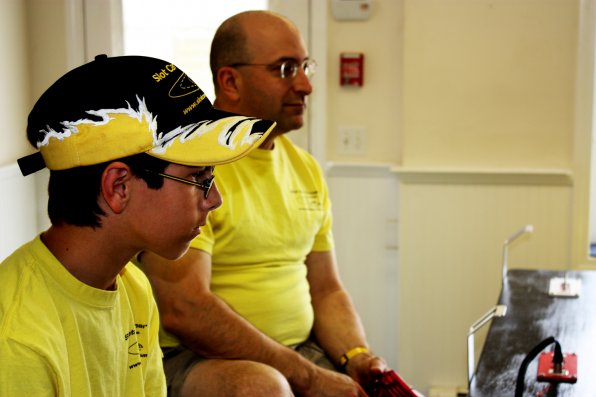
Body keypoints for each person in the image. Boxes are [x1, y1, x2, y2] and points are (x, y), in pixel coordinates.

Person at [137, 9, 389, 397]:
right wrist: (307, 376)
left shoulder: (305, 168)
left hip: (297, 354)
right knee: (262, 388)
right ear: (230, 81)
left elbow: (326, 290)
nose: (306, 85)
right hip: (197, 357)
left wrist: (356, 356)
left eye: (305, 66)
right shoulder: (189, 168)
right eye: (286, 69)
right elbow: (184, 309)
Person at [0, 54, 274, 396]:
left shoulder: (135, 288)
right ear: (119, 187)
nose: (215, 198)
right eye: (199, 177)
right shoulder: (18, 339)